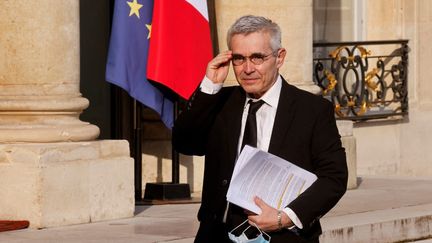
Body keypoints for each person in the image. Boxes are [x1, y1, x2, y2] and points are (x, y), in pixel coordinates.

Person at [173, 15, 347, 243]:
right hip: (218, 235)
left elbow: (333, 177)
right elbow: (185, 142)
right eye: (238, 58)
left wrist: (284, 217)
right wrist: (210, 86)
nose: (247, 69)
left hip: (283, 236)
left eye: (257, 58)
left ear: (279, 57)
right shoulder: (219, 102)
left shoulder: (312, 110)